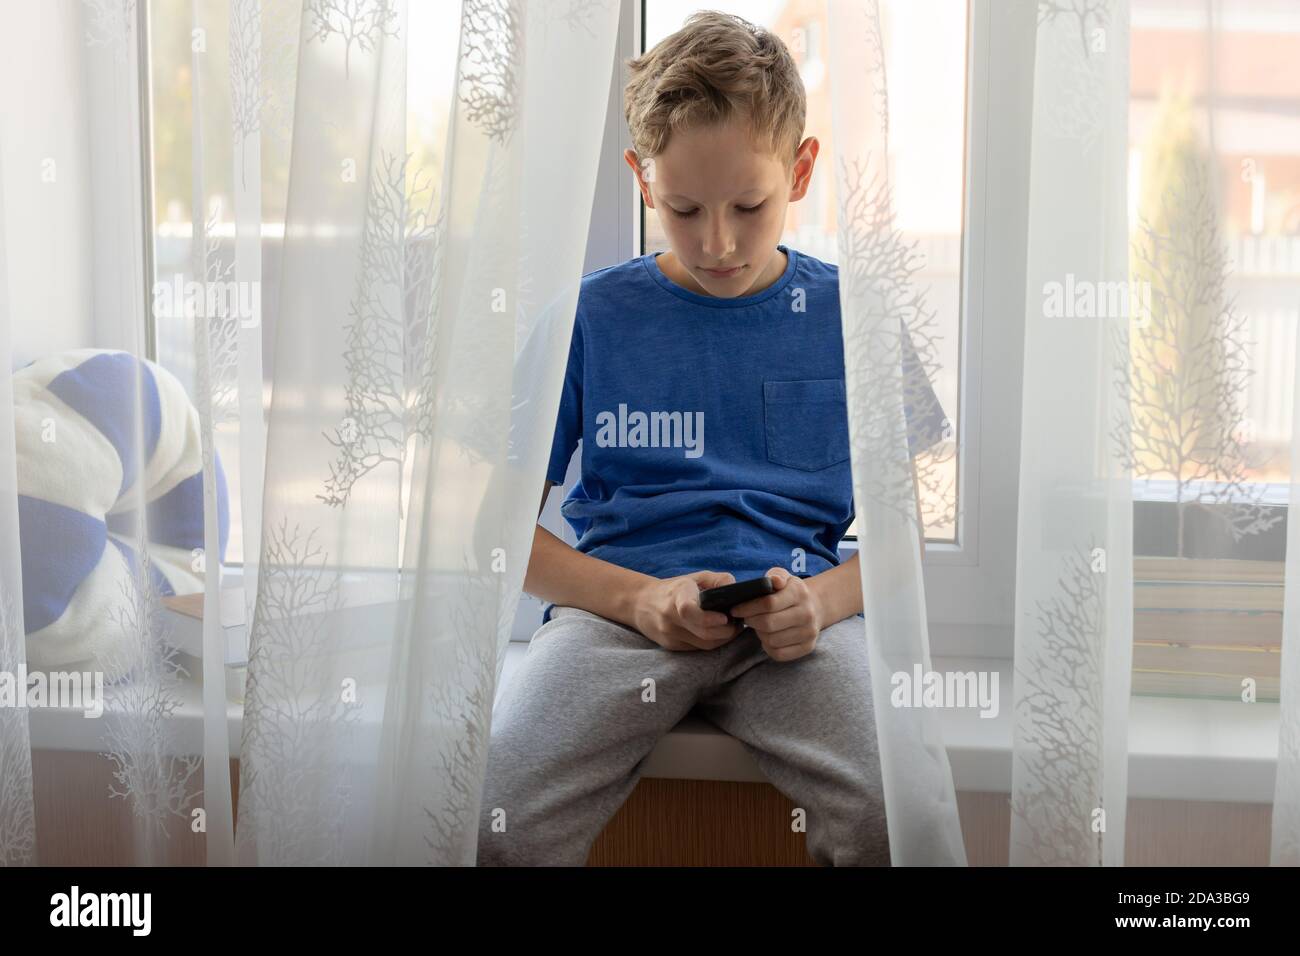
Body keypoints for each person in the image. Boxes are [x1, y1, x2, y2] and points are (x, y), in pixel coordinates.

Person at [477, 10, 944, 867]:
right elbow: (498, 534)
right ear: (642, 181)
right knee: (495, 813)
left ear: (800, 171)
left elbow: (903, 542)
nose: (717, 242)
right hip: (617, 623)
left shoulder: (857, 321)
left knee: (895, 809)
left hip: (796, 629)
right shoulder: (590, 319)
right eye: (685, 208)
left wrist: (825, 603)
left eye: (749, 205)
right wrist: (636, 600)